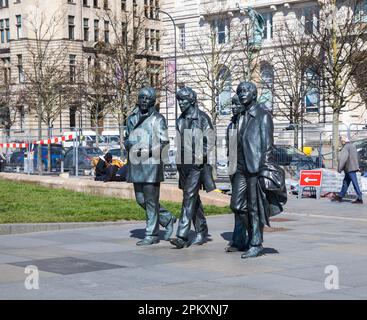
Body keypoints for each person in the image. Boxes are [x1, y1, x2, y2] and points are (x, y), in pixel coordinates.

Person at [229, 81, 287, 258]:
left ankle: (256, 242)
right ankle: (252, 235)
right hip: (239, 167)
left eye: (246, 91)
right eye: (239, 91)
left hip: (255, 167)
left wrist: (265, 170)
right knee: (237, 205)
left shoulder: (263, 116)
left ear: (254, 94)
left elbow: (268, 146)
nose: (242, 94)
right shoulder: (239, 117)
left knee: (254, 207)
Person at [125, 86, 176, 246]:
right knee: (141, 200)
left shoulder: (158, 119)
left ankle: (151, 233)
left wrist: (146, 151)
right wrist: (129, 144)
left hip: (151, 164)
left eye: (147, 98)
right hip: (136, 163)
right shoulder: (131, 118)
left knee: (151, 200)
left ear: (153, 101)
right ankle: (167, 218)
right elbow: (126, 138)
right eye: (142, 97)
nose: (144, 101)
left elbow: (164, 144)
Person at [170, 87, 216, 249]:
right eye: (179, 100)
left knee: (188, 198)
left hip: (197, 164)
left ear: (192, 100)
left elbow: (210, 141)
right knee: (193, 199)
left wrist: (199, 157)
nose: (180, 103)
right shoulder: (180, 120)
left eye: (183, 100)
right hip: (183, 165)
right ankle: (202, 231)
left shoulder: (203, 118)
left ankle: (181, 235)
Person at [225, 95, 249, 252]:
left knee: (240, 205)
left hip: (248, 170)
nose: (233, 107)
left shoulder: (249, 123)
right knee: (238, 206)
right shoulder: (231, 125)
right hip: (235, 169)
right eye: (232, 104)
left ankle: (253, 235)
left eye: (236, 104)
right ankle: (239, 239)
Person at [332, 136, 363, 204]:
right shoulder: (352, 146)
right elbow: (357, 157)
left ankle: (360, 198)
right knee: (345, 182)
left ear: (343, 142)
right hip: (353, 167)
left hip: (349, 167)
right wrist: (357, 166)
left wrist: (339, 168)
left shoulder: (346, 147)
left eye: (341, 142)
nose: (341, 143)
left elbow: (343, 158)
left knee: (355, 183)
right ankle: (340, 196)